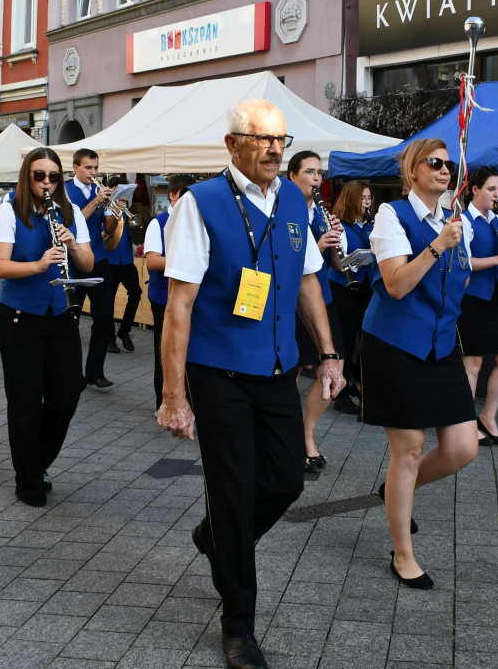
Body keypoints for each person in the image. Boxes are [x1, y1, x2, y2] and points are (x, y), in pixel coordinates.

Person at [158, 100, 344, 669]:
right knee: (235, 493)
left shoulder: (294, 199)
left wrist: (330, 352)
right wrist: (173, 395)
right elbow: (179, 307)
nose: (273, 148)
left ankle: (219, 538)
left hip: (277, 368)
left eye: (280, 139)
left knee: (286, 480)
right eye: (261, 139)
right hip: (218, 373)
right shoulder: (201, 204)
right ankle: (239, 625)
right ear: (232, 143)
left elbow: (308, 280)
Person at [362, 138, 478, 590]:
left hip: (441, 345)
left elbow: (459, 281)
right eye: (435, 163)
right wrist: (435, 246)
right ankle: (402, 554)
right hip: (394, 343)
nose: (444, 170)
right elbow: (394, 285)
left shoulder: (456, 220)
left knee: (462, 449)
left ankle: (395, 492)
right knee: (408, 450)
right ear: (413, 170)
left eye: (448, 164)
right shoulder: (392, 214)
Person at [0, 147, 93, 507]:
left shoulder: (71, 212)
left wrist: (72, 243)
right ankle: (28, 479)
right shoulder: (8, 212)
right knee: (25, 402)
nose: (46, 182)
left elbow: (88, 262)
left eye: (53, 176)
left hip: (60, 315)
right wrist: (38, 264)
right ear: (26, 176)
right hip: (19, 317)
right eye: (39, 175)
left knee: (67, 393)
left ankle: (37, 461)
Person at [286, 151, 347, 473]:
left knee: (334, 368)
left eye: (319, 172)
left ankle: (306, 434)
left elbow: (338, 265)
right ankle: (286, 436)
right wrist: (318, 245)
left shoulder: (323, 214)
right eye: (309, 171)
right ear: (292, 176)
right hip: (291, 302)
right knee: (291, 370)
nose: (316, 178)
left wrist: (338, 245)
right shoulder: (282, 211)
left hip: (322, 299)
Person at [459, 167, 498, 447]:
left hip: (494, 295)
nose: (496, 195)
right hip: (471, 297)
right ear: (475, 190)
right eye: (491, 189)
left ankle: (488, 416)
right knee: (473, 363)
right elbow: (464, 263)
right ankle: (464, 423)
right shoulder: (464, 221)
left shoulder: (497, 220)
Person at [63, 148, 116, 387]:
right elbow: (71, 223)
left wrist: (114, 207)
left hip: (99, 259)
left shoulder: (99, 190)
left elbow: (110, 229)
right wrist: (96, 201)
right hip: (74, 261)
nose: (93, 173)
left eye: (96, 168)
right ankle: (70, 372)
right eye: (88, 168)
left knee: (104, 318)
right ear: (75, 167)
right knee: (70, 320)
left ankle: (95, 371)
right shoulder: (64, 190)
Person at [144, 174, 194, 410]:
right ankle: (162, 402)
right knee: (165, 352)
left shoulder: (197, 222)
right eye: (183, 194)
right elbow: (152, 261)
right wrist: (187, 260)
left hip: (192, 297)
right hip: (163, 295)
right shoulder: (158, 223)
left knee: (190, 350)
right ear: (172, 196)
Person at [328, 180, 374, 415]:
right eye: (363, 198)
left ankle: (359, 383)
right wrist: (360, 258)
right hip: (342, 288)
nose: (367, 203)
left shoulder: (371, 225)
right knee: (345, 340)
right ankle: (341, 393)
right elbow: (337, 263)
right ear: (352, 199)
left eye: (369, 198)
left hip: (366, 288)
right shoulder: (339, 225)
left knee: (365, 338)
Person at [104, 198, 142, 354]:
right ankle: (109, 339)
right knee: (109, 300)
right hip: (110, 262)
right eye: (120, 199)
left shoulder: (129, 215)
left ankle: (124, 330)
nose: (122, 202)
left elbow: (138, 237)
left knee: (136, 294)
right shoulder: (105, 214)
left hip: (127, 261)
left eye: (125, 200)